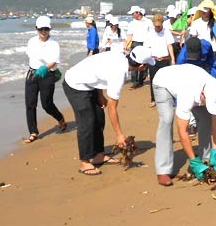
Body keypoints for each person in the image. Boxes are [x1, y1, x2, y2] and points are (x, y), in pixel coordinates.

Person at [63, 46, 155, 175]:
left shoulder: (120, 55)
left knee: (99, 117)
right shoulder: (119, 74)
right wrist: (119, 135)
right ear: (141, 66)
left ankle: (98, 155)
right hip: (75, 84)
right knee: (87, 122)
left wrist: (100, 95)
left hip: (90, 84)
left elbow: (98, 71)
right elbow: (112, 108)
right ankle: (84, 162)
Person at [152, 63, 216, 186]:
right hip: (163, 82)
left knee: (206, 118)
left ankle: (207, 160)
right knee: (167, 119)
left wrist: (215, 151)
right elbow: (183, 131)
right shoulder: (188, 93)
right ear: (203, 95)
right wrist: (193, 161)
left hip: (191, 80)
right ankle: (163, 169)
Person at [24, 16, 66, 143]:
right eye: (41, 29)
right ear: (36, 29)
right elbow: (31, 57)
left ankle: (60, 118)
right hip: (32, 74)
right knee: (30, 104)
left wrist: (44, 69)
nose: (43, 31)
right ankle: (33, 132)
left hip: (47, 74)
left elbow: (54, 61)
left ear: (50, 29)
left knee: (46, 104)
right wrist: (35, 71)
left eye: (46, 29)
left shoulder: (54, 44)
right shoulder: (31, 41)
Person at [144, 13, 175, 107]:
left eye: (159, 26)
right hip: (153, 60)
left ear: (162, 23)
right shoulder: (150, 33)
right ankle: (153, 99)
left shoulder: (167, 32)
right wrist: (146, 60)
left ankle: (168, 98)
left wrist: (173, 59)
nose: (157, 28)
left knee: (166, 80)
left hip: (164, 59)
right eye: (156, 26)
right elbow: (147, 48)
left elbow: (170, 46)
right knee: (153, 80)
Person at [124, 6, 151, 88]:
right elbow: (129, 35)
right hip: (135, 43)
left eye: (133, 13)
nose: (132, 15)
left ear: (138, 13)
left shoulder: (148, 22)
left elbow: (152, 33)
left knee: (144, 63)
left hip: (145, 44)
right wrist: (126, 45)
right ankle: (134, 81)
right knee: (133, 62)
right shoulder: (132, 23)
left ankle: (141, 80)